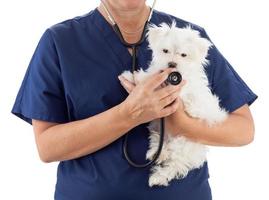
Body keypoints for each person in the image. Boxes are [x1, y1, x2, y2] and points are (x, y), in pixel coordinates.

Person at [11, 0, 258, 199]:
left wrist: (180, 124)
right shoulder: (59, 42)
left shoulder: (189, 38)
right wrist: (129, 114)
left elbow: (243, 130)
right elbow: (47, 147)